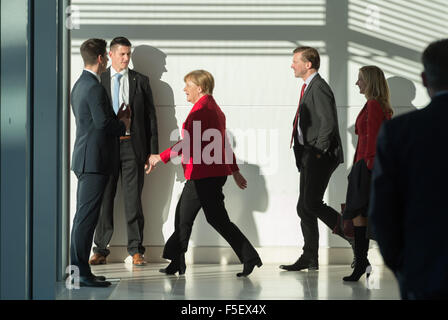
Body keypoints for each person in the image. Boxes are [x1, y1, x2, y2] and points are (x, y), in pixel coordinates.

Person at [147, 70, 262, 277]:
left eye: (188, 85)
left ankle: (176, 261)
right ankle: (248, 257)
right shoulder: (215, 110)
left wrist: (160, 157)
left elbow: (187, 142)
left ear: (199, 88)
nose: (184, 89)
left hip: (202, 175)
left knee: (184, 218)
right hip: (212, 174)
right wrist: (234, 170)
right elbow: (223, 143)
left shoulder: (201, 111)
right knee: (214, 219)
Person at [369, 39, 448, 299]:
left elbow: (382, 211)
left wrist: (402, 265)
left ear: (425, 79)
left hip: (424, 272)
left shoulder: (399, 132)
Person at [89, 37, 159, 267]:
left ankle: (136, 250)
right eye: (122, 54)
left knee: (133, 201)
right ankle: (100, 250)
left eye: (129, 54)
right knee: (104, 200)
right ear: (110, 55)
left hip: (133, 147)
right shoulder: (98, 80)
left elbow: (150, 119)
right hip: (106, 148)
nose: (126, 59)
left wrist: (153, 152)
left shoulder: (141, 81)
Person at [280, 46, 351, 272]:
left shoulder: (318, 88)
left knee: (310, 204)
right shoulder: (310, 87)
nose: (292, 65)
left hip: (318, 155)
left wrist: (317, 152)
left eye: (295, 61)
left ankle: (353, 235)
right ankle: (309, 257)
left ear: (308, 64)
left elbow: (327, 123)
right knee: (304, 207)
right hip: (308, 154)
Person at [70, 38, 129, 287]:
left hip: (87, 159)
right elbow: (103, 123)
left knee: (83, 218)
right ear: (102, 58)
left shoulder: (81, 84)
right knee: (85, 219)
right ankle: (81, 274)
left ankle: (80, 271)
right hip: (93, 161)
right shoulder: (93, 87)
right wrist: (122, 124)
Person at [342, 66, 392, 282]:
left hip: (366, 165)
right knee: (359, 215)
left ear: (370, 81)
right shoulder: (378, 105)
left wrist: (366, 169)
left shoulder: (373, 105)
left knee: (359, 214)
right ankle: (362, 262)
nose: (357, 83)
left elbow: (372, 139)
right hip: (364, 165)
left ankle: (362, 263)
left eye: (360, 79)